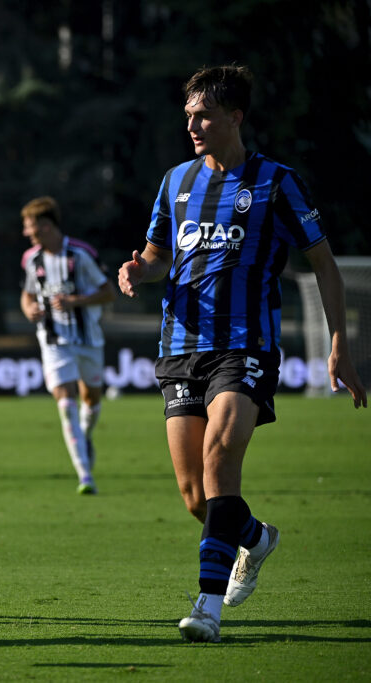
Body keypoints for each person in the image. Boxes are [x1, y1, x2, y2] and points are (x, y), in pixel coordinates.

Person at [118, 65, 367, 643]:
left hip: (245, 347)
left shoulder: (277, 182)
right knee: (195, 497)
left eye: (203, 115)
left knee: (220, 459)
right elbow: (157, 256)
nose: (193, 125)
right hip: (180, 349)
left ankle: (206, 608)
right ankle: (255, 538)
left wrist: (338, 345)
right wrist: (139, 270)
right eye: (188, 116)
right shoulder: (175, 181)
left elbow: (324, 265)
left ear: (235, 116)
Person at [19, 196, 115, 494]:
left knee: (92, 400)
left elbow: (108, 292)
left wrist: (76, 301)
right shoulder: (31, 259)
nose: (27, 234)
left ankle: (85, 436)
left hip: (88, 339)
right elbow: (27, 294)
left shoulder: (82, 254)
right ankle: (85, 474)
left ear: (47, 226)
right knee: (65, 400)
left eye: (31, 228)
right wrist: (29, 309)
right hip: (53, 340)